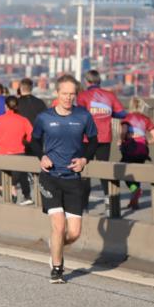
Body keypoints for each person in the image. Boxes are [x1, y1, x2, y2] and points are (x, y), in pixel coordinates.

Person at [31, 75, 98, 283]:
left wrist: (84, 159)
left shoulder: (83, 116)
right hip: (50, 177)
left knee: (74, 233)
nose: (68, 98)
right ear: (57, 94)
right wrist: (41, 156)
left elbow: (94, 141)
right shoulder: (44, 117)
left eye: (72, 94)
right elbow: (33, 141)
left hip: (73, 178)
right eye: (64, 94)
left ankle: (56, 247)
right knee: (58, 227)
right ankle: (57, 269)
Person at [76, 69, 127, 211]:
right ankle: (108, 201)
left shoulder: (83, 96)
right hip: (104, 137)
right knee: (104, 170)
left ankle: (83, 204)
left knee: (85, 170)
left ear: (87, 81)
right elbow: (122, 113)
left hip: (87, 138)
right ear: (100, 81)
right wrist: (108, 113)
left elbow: (79, 115)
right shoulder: (109, 95)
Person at [0, 95, 33, 205]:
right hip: (19, 155)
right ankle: (13, 194)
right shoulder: (23, 120)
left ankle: (12, 196)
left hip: (1, 156)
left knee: (0, 186)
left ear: (6, 106)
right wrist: (24, 141)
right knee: (13, 183)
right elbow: (31, 136)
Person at [120, 98, 154, 210]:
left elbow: (123, 132)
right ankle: (134, 202)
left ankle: (135, 190)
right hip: (142, 150)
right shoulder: (146, 119)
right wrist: (146, 142)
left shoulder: (127, 118)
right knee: (137, 173)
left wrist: (122, 140)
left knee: (123, 172)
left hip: (130, 149)